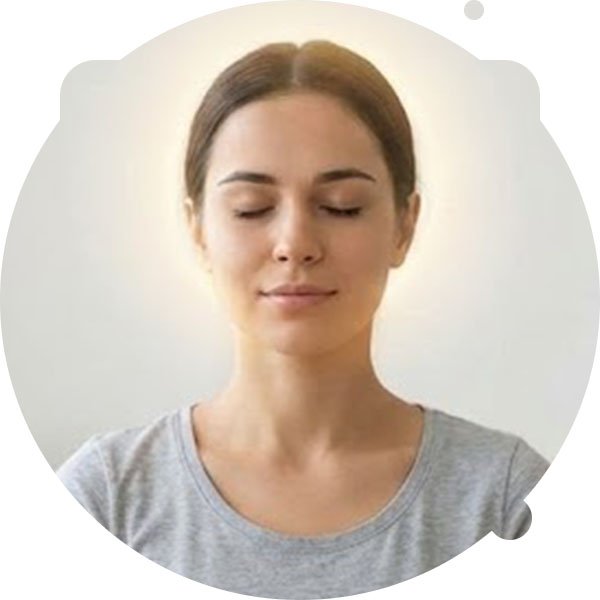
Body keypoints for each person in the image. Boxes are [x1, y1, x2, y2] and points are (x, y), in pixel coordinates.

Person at [57, 40, 549, 599]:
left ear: (404, 225)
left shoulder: (505, 503)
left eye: (342, 205)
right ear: (198, 229)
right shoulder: (107, 500)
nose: (294, 243)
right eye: (251, 208)